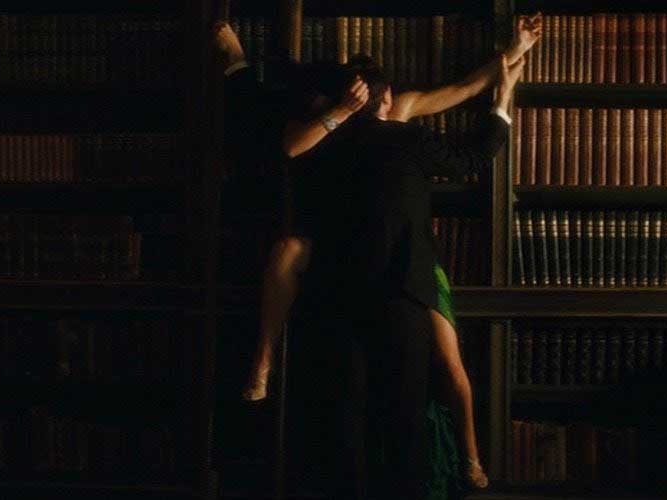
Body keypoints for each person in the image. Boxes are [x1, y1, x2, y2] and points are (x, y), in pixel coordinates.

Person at [215, 16, 542, 490]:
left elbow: (465, 87)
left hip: (370, 276)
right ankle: (266, 365)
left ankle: (466, 458)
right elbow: (472, 155)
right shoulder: (341, 128)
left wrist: (515, 52)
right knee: (390, 405)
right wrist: (503, 100)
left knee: (420, 380)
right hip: (377, 274)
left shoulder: (385, 118)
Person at [298, 51, 525, 499]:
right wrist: (501, 105)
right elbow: (470, 161)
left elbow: (289, 149)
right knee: (403, 410)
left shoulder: (324, 141)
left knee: (346, 412)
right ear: (386, 100)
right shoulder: (409, 138)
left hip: (337, 292)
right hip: (404, 289)